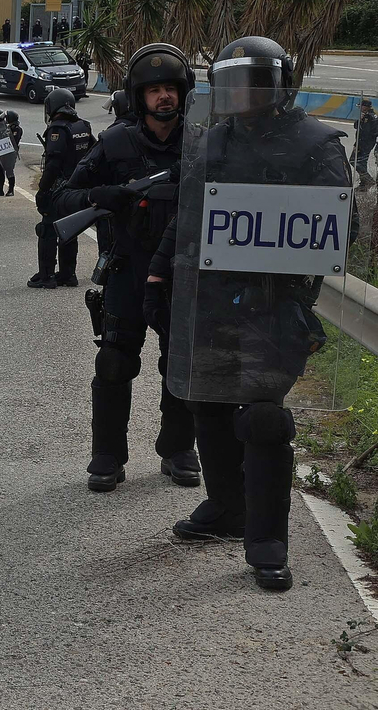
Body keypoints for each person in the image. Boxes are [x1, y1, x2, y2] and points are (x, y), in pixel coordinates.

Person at [148, 36, 350, 591]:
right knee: (207, 403)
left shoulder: (315, 143)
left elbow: (338, 227)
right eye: (233, 81)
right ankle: (227, 508)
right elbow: (188, 213)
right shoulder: (212, 142)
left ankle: (267, 540)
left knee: (263, 417)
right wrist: (161, 268)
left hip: (276, 303)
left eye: (255, 81)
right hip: (209, 298)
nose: (243, 93)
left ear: (280, 83)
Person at [54, 43, 199, 493]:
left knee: (182, 364)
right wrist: (99, 197)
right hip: (127, 270)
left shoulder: (203, 144)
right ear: (139, 97)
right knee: (114, 363)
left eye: (170, 89)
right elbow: (57, 197)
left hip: (184, 275)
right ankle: (108, 455)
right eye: (153, 90)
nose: (163, 98)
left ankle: (177, 448)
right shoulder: (114, 144)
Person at [30, 90, 94, 289]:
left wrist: (42, 190)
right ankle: (68, 274)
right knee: (69, 229)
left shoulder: (57, 129)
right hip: (78, 187)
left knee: (47, 229)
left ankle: (46, 275)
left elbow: (53, 166)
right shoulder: (82, 126)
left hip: (59, 187)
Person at [355, 98, 377, 191]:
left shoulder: (370, 117)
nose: (359, 108)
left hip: (364, 144)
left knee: (355, 161)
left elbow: (365, 133)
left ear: (365, 107)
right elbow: (356, 126)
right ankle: (363, 184)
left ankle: (368, 180)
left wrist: (358, 145)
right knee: (360, 163)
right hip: (362, 143)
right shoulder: (365, 116)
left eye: (361, 106)